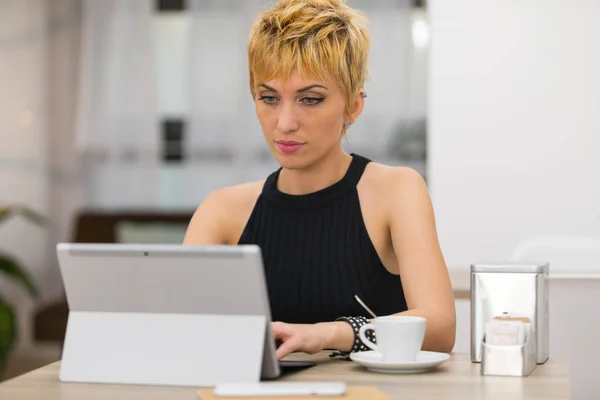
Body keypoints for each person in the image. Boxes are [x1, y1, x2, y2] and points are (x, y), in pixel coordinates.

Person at [183, 0, 456, 360]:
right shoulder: (221, 210)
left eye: (309, 99)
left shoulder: (396, 191)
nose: (284, 123)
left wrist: (328, 334)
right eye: (268, 98)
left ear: (353, 106)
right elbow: (179, 326)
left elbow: (439, 327)